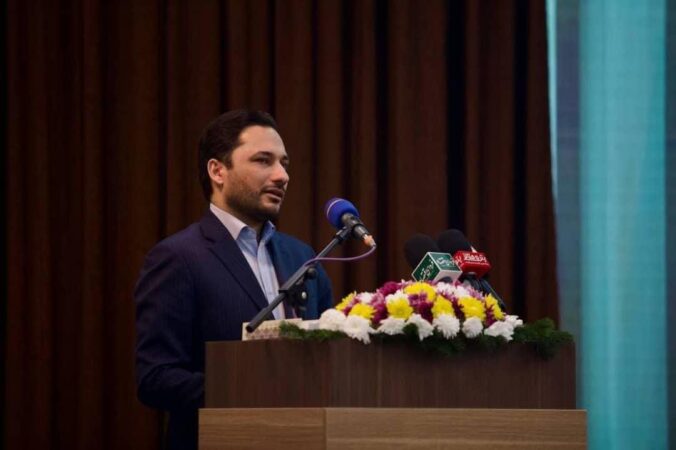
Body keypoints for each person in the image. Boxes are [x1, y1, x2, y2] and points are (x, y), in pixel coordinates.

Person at [134, 110, 333, 450]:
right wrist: (251, 390)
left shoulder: (303, 257)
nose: (282, 175)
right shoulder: (178, 258)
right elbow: (155, 378)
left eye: (284, 164)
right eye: (263, 161)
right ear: (217, 171)